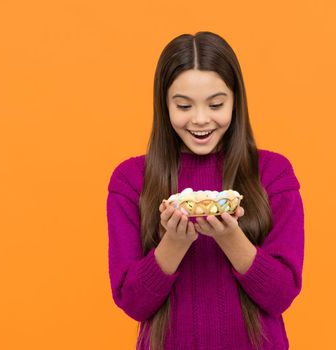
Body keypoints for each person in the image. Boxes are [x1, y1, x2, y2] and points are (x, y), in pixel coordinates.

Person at [106, 31, 305, 350]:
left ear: (235, 101)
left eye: (216, 104)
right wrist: (174, 242)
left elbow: (282, 294)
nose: (200, 119)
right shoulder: (131, 180)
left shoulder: (273, 173)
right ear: (164, 105)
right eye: (184, 105)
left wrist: (230, 237)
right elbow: (132, 302)